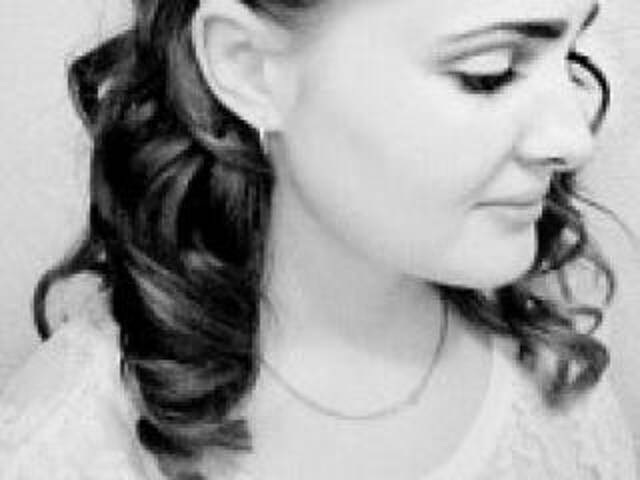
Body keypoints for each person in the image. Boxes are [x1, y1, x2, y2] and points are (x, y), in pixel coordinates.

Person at [0, 0, 637, 478]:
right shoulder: (72, 445)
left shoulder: (550, 369)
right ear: (249, 68)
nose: (573, 139)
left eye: (570, 58)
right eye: (488, 72)